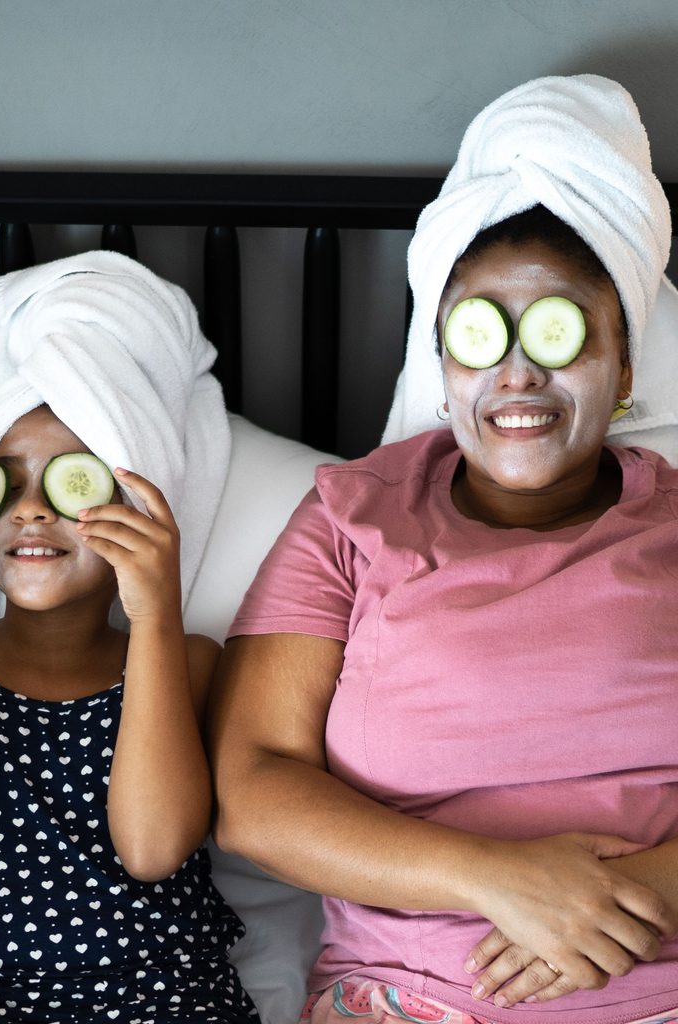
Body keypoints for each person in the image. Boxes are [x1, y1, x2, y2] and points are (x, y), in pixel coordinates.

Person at [209, 74, 678, 1024]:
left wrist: (655, 888)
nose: (517, 370)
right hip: (406, 996)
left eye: (560, 329)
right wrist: (498, 879)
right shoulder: (349, 519)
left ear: (625, 365)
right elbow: (253, 792)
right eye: (479, 332)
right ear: (442, 363)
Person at [0, 252, 258, 1023]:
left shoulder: (185, 660)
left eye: (72, 480)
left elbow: (154, 847)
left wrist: (155, 611)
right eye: (6, 481)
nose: (30, 509)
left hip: (163, 1001)